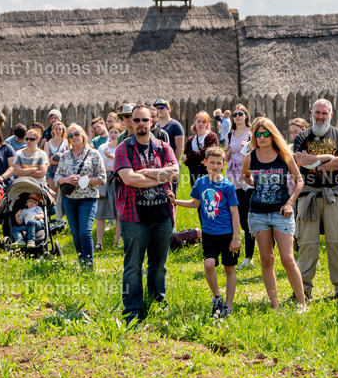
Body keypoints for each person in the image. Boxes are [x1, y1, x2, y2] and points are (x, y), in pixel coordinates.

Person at [114, 105, 179, 322]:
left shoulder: (163, 147)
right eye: (137, 120)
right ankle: (132, 310)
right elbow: (129, 179)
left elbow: (176, 172)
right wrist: (161, 176)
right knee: (133, 265)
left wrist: (146, 173)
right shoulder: (123, 149)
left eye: (145, 120)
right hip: (133, 217)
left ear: (152, 121)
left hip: (162, 215)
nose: (141, 124)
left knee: (159, 265)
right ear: (130, 122)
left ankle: (157, 301)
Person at [294, 99, 338, 300]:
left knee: (336, 242)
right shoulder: (302, 136)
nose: (320, 117)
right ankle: (303, 290)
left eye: (324, 113)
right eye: (317, 113)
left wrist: (315, 163)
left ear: (331, 115)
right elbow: (298, 159)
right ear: (311, 112)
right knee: (307, 244)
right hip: (308, 196)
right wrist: (328, 157)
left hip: (334, 195)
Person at [241, 117, 307, 311]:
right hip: (258, 214)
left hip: (281, 213)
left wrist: (289, 203)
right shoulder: (250, 157)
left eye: (265, 133)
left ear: (272, 134)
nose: (261, 137)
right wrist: (254, 183)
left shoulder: (284, 154)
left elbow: (299, 180)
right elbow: (245, 175)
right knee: (266, 259)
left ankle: (302, 304)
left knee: (287, 259)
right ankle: (275, 305)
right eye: (257, 134)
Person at [170, 146, 240, 317]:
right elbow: (195, 203)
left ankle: (228, 306)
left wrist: (236, 238)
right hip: (208, 233)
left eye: (218, 163)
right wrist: (175, 201)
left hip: (227, 234)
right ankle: (217, 296)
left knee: (229, 268)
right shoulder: (200, 183)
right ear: (205, 163)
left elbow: (234, 212)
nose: (215, 166)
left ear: (223, 165)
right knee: (209, 264)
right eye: (212, 163)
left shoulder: (227, 186)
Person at [55, 124, 106, 268]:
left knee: (85, 232)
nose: (74, 138)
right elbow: (57, 176)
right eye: (70, 136)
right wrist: (66, 179)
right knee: (76, 234)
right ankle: (81, 261)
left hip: (88, 199)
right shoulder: (65, 155)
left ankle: (89, 265)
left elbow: (102, 178)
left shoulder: (94, 154)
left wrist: (85, 180)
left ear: (82, 135)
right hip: (69, 199)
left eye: (76, 134)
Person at [224, 104, 255, 268]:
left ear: (246, 115)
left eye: (240, 113)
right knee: (237, 213)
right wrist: (226, 152)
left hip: (248, 175)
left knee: (248, 215)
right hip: (232, 176)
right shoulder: (230, 134)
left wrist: (248, 145)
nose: (237, 116)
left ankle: (249, 255)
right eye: (235, 114)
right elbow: (226, 157)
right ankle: (236, 250)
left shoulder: (252, 133)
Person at [95, 122, 124, 250]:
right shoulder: (102, 147)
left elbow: (123, 166)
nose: (113, 135)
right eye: (111, 132)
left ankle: (117, 242)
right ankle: (99, 242)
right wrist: (112, 167)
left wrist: (111, 159)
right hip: (104, 181)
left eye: (115, 132)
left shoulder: (121, 148)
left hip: (118, 182)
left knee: (118, 213)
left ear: (120, 134)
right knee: (100, 212)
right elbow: (99, 166)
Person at [185, 112, 219, 187]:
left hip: (208, 174)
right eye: (199, 121)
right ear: (195, 122)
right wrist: (199, 159)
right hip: (194, 174)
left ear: (207, 124)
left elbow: (208, 153)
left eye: (203, 122)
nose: (201, 124)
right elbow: (185, 160)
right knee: (196, 197)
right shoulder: (191, 140)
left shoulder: (211, 136)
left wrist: (190, 156)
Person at [13, 128, 49, 193]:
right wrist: (33, 169)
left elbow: (42, 173)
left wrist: (22, 172)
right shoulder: (19, 153)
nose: (28, 141)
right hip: (22, 185)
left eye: (32, 139)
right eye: (27, 139)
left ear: (37, 140)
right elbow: (16, 172)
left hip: (38, 185)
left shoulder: (42, 154)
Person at [45, 121, 69, 196]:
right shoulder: (47, 144)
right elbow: (47, 160)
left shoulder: (66, 142)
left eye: (60, 129)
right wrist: (61, 160)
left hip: (64, 171)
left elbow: (69, 158)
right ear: (52, 130)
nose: (58, 131)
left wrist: (54, 160)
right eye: (56, 129)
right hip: (51, 171)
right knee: (54, 194)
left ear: (63, 131)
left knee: (63, 194)